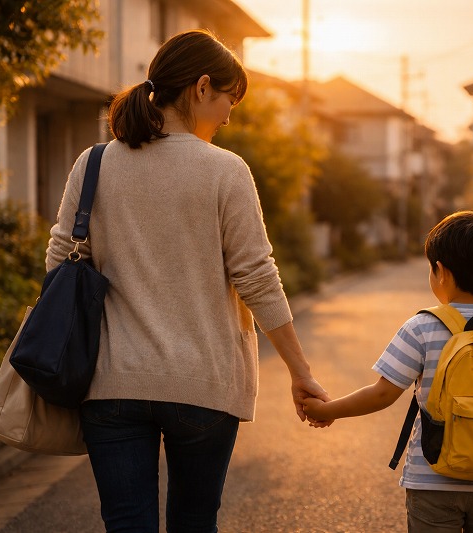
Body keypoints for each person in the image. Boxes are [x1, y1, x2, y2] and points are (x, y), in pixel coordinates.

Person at [46, 29, 328, 532]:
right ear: (201, 88)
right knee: (194, 523)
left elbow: (60, 258)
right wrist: (300, 371)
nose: (227, 116)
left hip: (112, 385)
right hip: (205, 384)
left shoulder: (94, 163)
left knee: (126, 523)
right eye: (228, 100)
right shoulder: (225, 171)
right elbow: (256, 276)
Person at [303, 211, 473, 532]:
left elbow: (382, 394)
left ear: (440, 272)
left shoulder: (423, 327)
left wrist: (327, 409)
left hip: (433, 479)